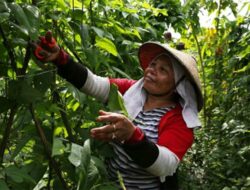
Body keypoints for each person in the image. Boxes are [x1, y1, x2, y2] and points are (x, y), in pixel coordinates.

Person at [31, 31, 203, 190]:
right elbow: (94, 83)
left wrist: (132, 137)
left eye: (163, 70)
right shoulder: (131, 91)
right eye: (153, 64)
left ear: (178, 86)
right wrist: (61, 59)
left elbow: (165, 165)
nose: (151, 70)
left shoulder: (180, 120)